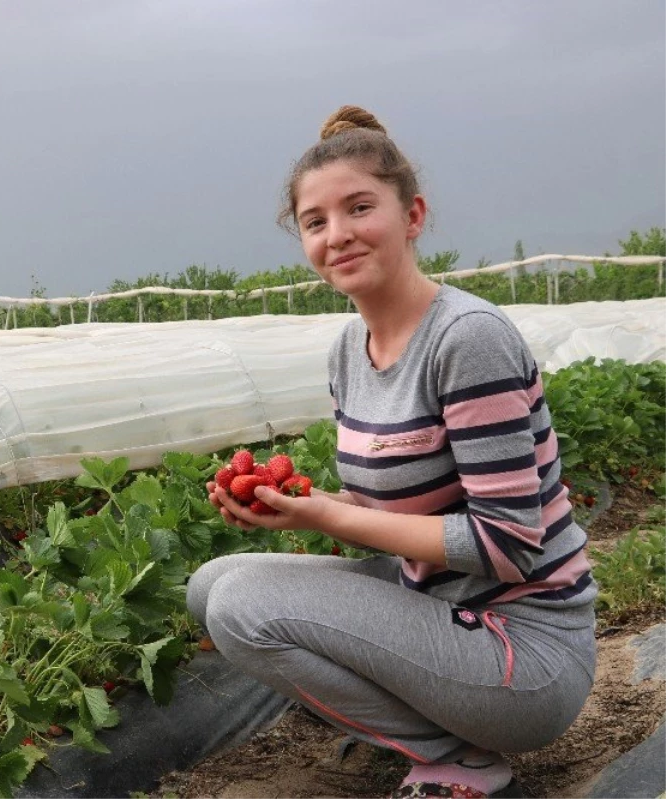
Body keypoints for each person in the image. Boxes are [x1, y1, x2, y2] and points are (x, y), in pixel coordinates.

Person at [187, 106, 595, 799]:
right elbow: (394, 509)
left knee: (241, 607)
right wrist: (296, 506)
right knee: (211, 583)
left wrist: (325, 517)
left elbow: (509, 541)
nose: (337, 235)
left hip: (524, 649)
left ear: (413, 215)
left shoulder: (467, 339)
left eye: (359, 207)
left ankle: (456, 757)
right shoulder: (349, 351)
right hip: (439, 607)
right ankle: (444, 731)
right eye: (315, 222)